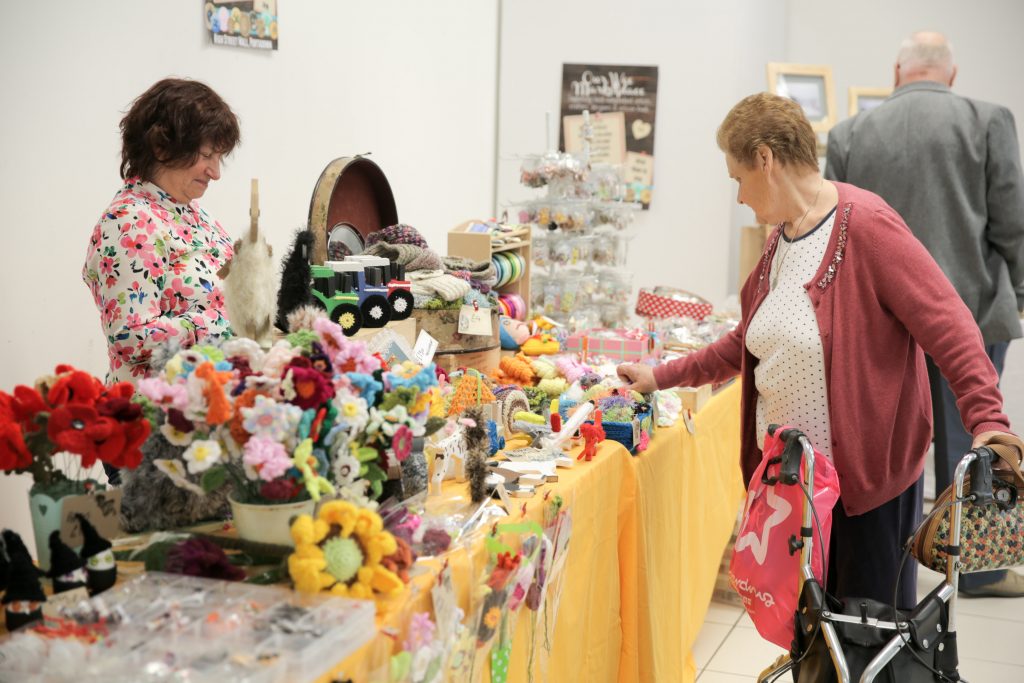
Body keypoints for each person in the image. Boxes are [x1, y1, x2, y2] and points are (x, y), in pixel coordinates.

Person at [618, 92, 1020, 612]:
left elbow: (950, 324)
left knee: (867, 637)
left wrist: (987, 417)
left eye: (738, 178)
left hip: (862, 493)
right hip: (798, 490)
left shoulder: (868, 225)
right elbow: (748, 340)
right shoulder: (782, 237)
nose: (738, 195)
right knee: (814, 636)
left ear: (766, 159)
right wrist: (662, 376)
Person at [825, 32, 1024, 597]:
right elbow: (1011, 222)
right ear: (951, 76)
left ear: (896, 72)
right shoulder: (989, 120)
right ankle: (978, 570)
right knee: (971, 446)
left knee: (888, 449)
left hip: (878, 326)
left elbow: (832, 230)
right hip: (974, 310)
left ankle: (890, 569)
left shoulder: (849, 133)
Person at [82, 78, 240, 384]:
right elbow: (131, 337)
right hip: (159, 412)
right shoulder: (128, 222)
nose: (216, 173)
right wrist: (216, 324)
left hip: (208, 398)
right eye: (207, 155)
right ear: (161, 146)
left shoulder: (195, 213)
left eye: (219, 158)